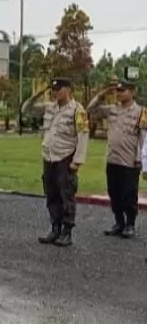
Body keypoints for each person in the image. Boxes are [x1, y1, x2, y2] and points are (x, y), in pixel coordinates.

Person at [22, 77, 89, 247]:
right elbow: (26, 109)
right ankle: (55, 228)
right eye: (53, 89)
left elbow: (83, 136)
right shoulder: (49, 107)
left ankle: (67, 231)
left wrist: (78, 161)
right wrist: (37, 94)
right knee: (51, 194)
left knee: (66, 194)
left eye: (58, 89)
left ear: (68, 89)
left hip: (65, 157)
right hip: (49, 156)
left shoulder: (77, 110)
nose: (55, 92)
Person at [87, 80, 147, 238]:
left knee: (129, 195)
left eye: (123, 91)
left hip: (130, 161)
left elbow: (143, 138)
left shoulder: (141, 112)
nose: (119, 94)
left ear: (133, 92)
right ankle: (119, 222)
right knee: (114, 194)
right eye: (117, 91)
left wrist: (140, 159)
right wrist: (102, 94)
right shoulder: (112, 110)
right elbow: (91, 109)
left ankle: (130, 224)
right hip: (113, 159)